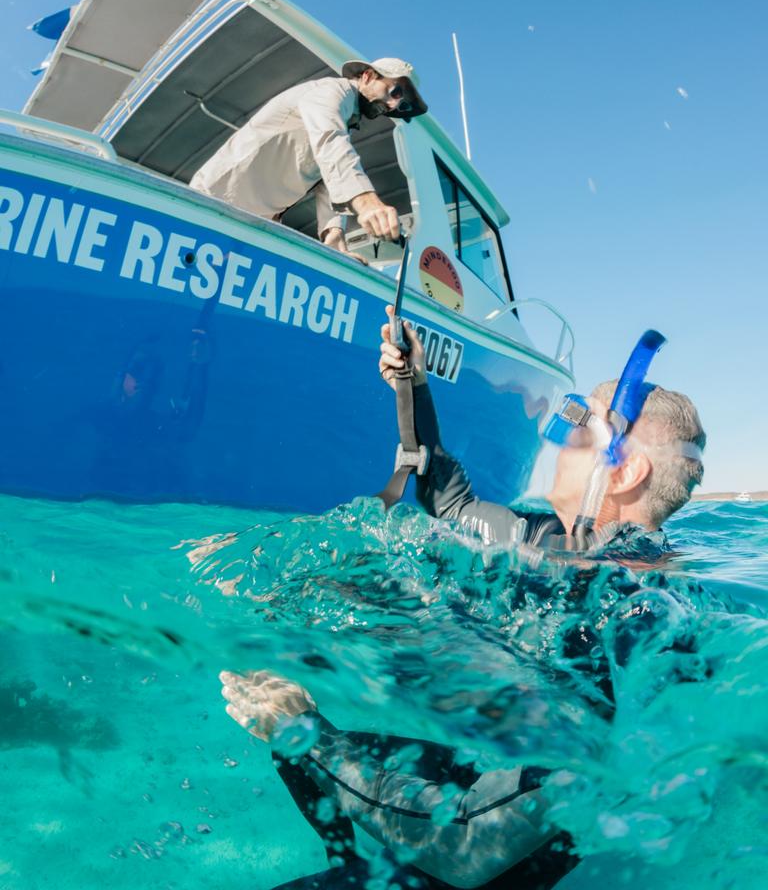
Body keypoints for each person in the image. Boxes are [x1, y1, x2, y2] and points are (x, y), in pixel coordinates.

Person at [219, 310, 707, 889]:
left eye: (576, 432)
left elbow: (462, 849)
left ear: (624, 471)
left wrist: (309, 733)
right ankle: (351, 866)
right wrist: (414, 386)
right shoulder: (552, 540)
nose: (556, 445)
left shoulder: (636, 611)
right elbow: (450, 505)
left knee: (307, 742)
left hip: (486, 855)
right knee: (306, 755)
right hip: (494, 776)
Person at [189, 59, 427, 260]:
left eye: (402, 104)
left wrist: (334, 238)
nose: (394, 104)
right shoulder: (330, 92)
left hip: (252, 223)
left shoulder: (346, 122)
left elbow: (327, 178)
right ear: (367, 76)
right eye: (395, 91)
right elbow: (330, 143)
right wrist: (367, 204)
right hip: (214, 201)